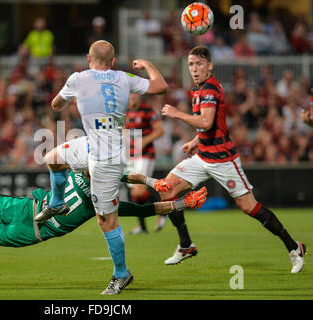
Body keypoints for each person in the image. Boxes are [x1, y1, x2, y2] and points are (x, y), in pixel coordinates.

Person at [34, 40, 167, 294]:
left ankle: (121, 274)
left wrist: (75, 99)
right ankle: (57, 202)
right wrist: (148, 65)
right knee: (53, 158)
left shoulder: (77, 79)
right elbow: (161, 86)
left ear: (88, 58)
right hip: (93, 146)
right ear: (114, 61)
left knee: (106, 220)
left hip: (107, 159)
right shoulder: (125, 77)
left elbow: (55, 105)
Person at [159, 46, 306, 273]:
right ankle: (186, 245)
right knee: (166, 189)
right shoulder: (197, 89)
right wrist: (195, 142)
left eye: (199, 64)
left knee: (249, 207)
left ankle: (294, 247)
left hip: (223, 159)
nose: (194, 69)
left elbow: (206, 122)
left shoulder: (210, 89)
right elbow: (211, 126)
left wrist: (177, 114)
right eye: (191, 64)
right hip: (203, 155)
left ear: (210, 66)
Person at [0, 170, 207, 250]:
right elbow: (145, 209)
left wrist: (158, 184)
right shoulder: (104, 203)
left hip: (22, 211)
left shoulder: (82, 169)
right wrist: (179, 201)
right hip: (26, 226)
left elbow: (142, 203)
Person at [125, 93, 165, 235]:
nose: (132, 98)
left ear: (140, 96)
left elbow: (160, 130)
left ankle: (164, 210)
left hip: (145, 155)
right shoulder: (125, 112)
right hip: (131, 156)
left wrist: (145, 140)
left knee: (139, 190)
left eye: (135, 95)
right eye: (130, 96)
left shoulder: (148, 111)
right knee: (135, 193)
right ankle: (142, 227)